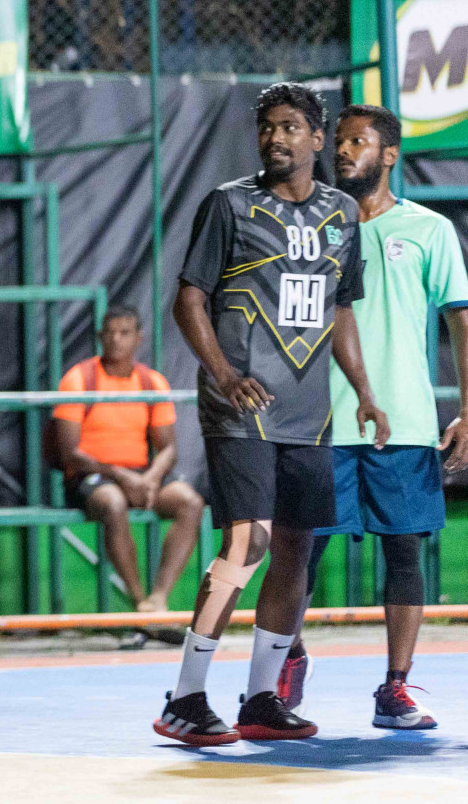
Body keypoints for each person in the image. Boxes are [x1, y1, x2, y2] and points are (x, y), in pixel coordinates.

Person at [156, 82, 389, 746]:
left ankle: (261, 698)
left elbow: (340, 309)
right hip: (242, 406)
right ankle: (184, 698)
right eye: (266, 127)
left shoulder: (343, 213)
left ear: (318, 138)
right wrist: (225, 375)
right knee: (246, 542)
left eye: (290, 127)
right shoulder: (229, 205)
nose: (275, 137)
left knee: (296, 546)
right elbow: (188, 300)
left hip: (309, 413)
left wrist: (364, 392)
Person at [277, 105, 468, 730]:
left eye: (358, 141)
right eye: (338, 141)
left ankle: (395, 688)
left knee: (405, 552)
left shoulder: (431, 231)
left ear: (388, 155)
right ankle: (284, 665)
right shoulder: (312, 226)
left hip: (405, 423)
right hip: (320, 423)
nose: (342, 150)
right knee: (298, 555)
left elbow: (460, 322)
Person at [53, 305, 203, 613]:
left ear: (139, 338)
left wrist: (148, 479)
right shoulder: (78, 378)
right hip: (93, 477)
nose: (116, 340)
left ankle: (159, 597)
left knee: (190, 503)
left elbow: (169, 448)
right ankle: (139, 603)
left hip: (140, 476)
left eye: (124, 333)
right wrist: (123, 477)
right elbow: (69, 452)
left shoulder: (153, 382)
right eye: (109, 332)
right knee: (113, 503)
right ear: (99, 337)